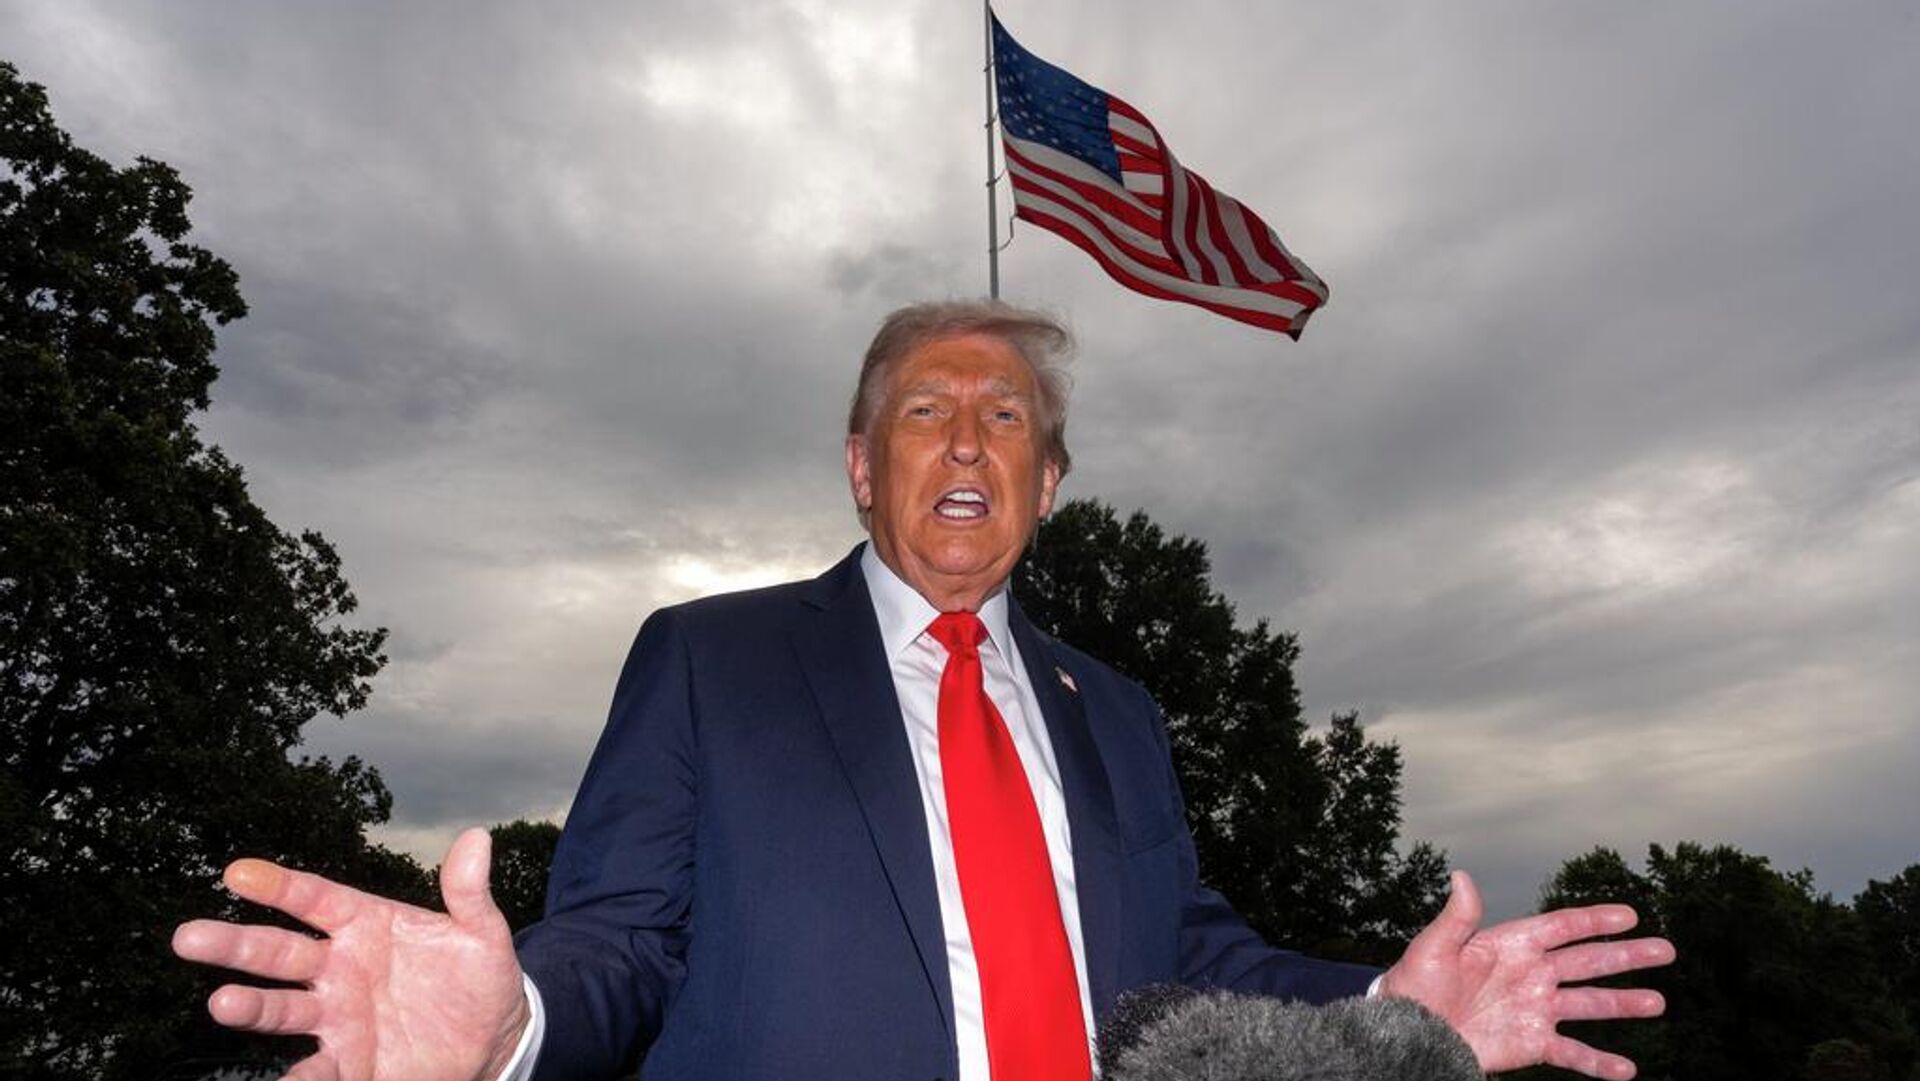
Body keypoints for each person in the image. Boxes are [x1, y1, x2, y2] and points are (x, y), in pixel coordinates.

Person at [174, 300, 1675, 1081]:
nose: (966, 441)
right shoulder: (709, 662)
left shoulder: (1120, 715)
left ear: (1050, 479)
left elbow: (1191, 956)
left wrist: (1386, 1009)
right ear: (860, 465)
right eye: (924, 412)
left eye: (1005, 416)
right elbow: (622, 945)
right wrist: (512, 1028)